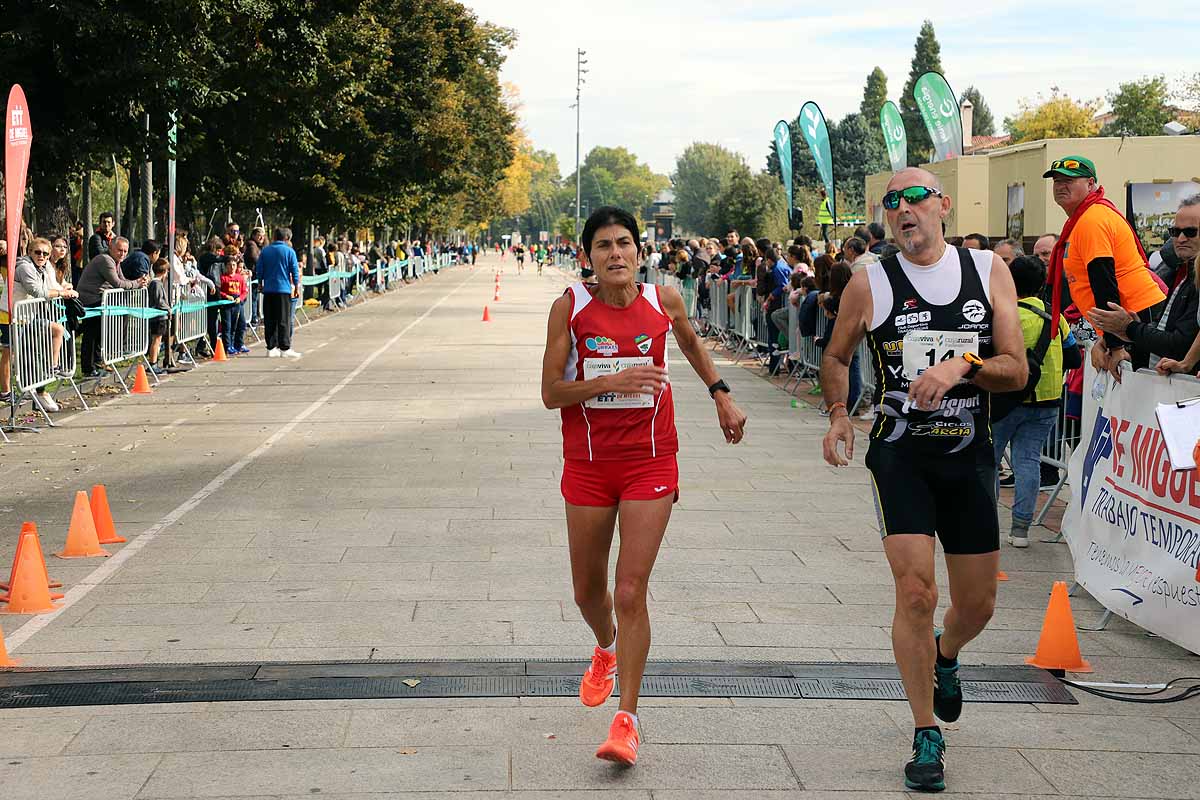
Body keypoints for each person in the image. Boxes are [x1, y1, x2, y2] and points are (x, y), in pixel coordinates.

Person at [820, 168, 1027, 793]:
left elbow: (1015, 369)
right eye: (892, 203)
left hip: (969, 457)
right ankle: (925, 731)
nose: (904, 210)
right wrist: (837, 414)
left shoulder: (988, 269)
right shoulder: (869, 281)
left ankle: (947, 653)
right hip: (901, 456)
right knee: (915, 593)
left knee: (978, 604)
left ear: (942, 205)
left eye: (915, 198)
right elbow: (833, 356)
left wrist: (960, 366)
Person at [540, 206, 747, 767]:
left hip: (651, 460)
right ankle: (605, 648)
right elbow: (551, 393)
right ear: (588, 257)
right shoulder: (570, 307)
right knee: (588, 591)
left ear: (639, 251)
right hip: (588, 461)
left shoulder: (664, 301)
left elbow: (692, 344)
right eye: (603, 245)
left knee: (631, 588)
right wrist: (611, 380)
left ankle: (626, 720)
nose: (616, 254)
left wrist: (721, 394)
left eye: (624, 243)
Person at [1044, 155, 1165, 379]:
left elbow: (1103, 281)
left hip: (1134, 317)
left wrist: (1116, 345)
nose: (1061, 186)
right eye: (1057, 181)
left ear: (1091, 184)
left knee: (1140, 398)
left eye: (1069, 180)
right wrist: (1107, 339)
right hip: (1128, 319)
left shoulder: (1092, 219)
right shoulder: (1084, 218)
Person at [991, 255, 1082, 547]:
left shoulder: (1003, 314)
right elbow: (1074, 357)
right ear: (1042, 283)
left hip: (1005, 398)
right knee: (1027, 460)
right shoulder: (1055, 316)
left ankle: (987, 523)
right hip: (1047, 400)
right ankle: (1021, 530)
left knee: (988, 461)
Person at [1087, 194, 1200, 376]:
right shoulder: (1179, 271)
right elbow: (1166, 332)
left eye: (1190, 232)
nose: (1180, 239)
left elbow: (1178, 345)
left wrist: (1129, 328)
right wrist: (1120, 337)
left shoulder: (1188, 275)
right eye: (1175, 232)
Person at [77, 237, 146, 377]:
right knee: (92, 334)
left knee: (99, 333)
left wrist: (139, 282)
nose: (122, 254)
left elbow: (123, 281)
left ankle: (98, 362)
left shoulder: (116, 262)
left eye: (125, 251)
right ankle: (88, 368)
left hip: (99, 300)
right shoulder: (105, 260)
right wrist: (137, 284)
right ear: (111, 248)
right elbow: (118, 284)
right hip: (90, 300)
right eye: (119, 250)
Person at [255, 227, 302, 359]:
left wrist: (260, 283)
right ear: (287, 238)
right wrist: (296, 287)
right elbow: (294, 270)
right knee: (283, 319)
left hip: (269, 289)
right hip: (283, 289)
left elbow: (260, 268)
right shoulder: (289, 251)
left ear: (274, 237)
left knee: (269, 319)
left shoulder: (265, 251)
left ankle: (271, 347)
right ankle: (285, 347)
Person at [218, 247, 248, 356]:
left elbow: (244, 291)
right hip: (226, 305)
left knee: (241, 324)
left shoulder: (240, 278)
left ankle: (238, 344)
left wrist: (240, 298)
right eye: (230, 265)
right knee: (227, 326)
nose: (232, 267)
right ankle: (228, 346)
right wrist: (226, 296)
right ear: (226, 266)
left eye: (234, 265)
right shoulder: (223, 278)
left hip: (237, 304)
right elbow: (219, 291)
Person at [146, 258, 171, 374]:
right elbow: (159, 300)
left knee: (157, 339)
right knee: (156, 340)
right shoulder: (157, 284)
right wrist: (168, 308)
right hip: (158, 317)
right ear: (164, 271)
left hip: (158, 316)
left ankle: (153, 361)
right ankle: (153, 363)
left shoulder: (155, 283)